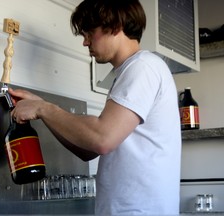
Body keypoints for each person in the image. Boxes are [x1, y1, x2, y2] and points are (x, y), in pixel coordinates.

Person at [9, 0, 182, 215]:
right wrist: (41, 108)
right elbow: (88, 149)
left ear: (116, 26)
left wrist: (44, 109)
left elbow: (102, 139)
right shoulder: (132, 72)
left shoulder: (143, 67)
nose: (85, 42)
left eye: (89, 32)